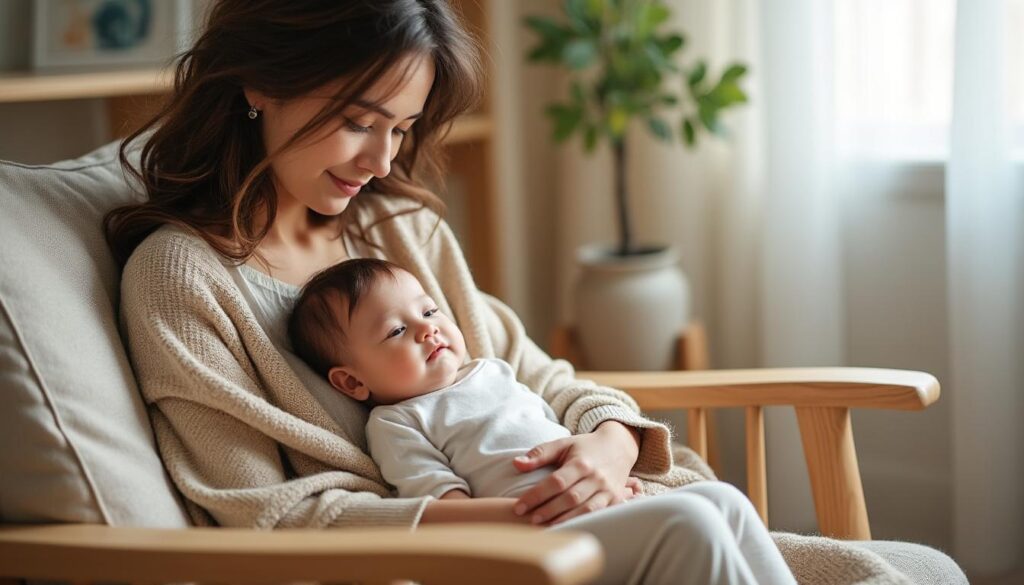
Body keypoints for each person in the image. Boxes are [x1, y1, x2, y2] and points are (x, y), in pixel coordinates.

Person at [105, 0, 796, 582]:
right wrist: (535, 510)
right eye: (358, 122)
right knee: (688, 519)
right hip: (436, 556)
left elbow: (536, 376)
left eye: (401, 129)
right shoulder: (180, 278)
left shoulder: (401, 229)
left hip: (561, 514)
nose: (381, 163)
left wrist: (609, 445)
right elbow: (264, 512)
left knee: (716, 500)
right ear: (260, 83)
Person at [288, 257, 646, 502]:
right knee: (689, 519)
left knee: (703, 501)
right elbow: (446, 502)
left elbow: (553, 426)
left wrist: (602, 467)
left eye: (429, 311)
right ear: (352, 383)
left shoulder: (492, 370)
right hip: (543, 527)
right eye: (396, 330)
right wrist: (533, 512)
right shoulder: (397, 423)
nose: (428, 328)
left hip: (597, 493)